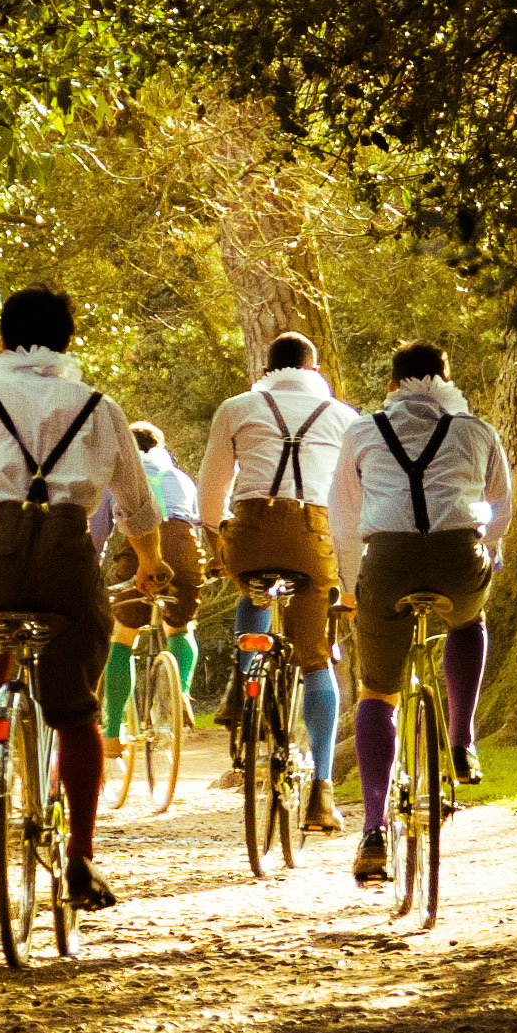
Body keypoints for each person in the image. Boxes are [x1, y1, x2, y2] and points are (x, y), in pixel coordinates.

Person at [0, 285, 171, 911]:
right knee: (77, 713)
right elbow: (137, 504)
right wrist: (150, 563)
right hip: (67, 559)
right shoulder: (98, 406)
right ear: (67, 342)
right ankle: (81, 858)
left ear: (2, 339)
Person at [329, 340, 513, 881]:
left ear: (392, 386)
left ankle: (373, 830)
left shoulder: (362, 431)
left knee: (377, 693)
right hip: (459, 556)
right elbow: (501, 506)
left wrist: (349, 585)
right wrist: (489, 550)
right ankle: (461, 742)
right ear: (446, 382)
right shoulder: (478, 431)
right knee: (468, 620)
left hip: (387, 562)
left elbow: (343, 517)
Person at [198, 332, 359, 832]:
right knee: (315, 659)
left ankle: (246, 685)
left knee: (252, 587)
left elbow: (210, 492)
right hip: (313, 536)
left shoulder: (236, 407)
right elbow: (353, 499)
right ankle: (323, 792)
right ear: (314, 370)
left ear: (265, 370)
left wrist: (219, 538)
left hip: (249, 534)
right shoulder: (343, 416)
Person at [94, 422, 206, 762]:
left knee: (124, 636)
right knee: (180, 627)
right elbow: (198, 525)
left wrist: (91, 568)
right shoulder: (182, 478)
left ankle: (112, 734)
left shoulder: (116, 478)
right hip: (184, 547)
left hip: (140, 548)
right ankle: (179, 692)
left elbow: (99, 531)